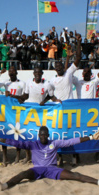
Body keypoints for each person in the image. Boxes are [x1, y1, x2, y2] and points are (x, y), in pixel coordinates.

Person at [0, 126, 99, 191]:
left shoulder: (54, 143)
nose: (43, 137)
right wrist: (0, 139)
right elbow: (16, 143)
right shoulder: (33, 144)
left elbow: (72, 141)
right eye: (41, 135)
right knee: (23, 174)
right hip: (37, 169)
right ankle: (4, 186)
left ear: (48, 135)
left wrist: (91, 137)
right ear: (38, 135)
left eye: (45, 135)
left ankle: (96, 181)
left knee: (75, 175)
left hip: (53, 170)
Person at [49, 33, 82, 166]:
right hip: (58, 111)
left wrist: (79, 43)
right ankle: (60, 158)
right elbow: (48, 94)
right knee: (59, 135)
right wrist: (55, 99)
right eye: (56, 66)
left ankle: (75, 157)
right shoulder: (52, 80)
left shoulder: (68, 73)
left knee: (73, 134)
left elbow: (78, 58)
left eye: (60, 65)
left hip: (70, 109)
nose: (58, 67)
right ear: (55, 69)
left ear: (63, 67)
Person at [0, 66, 26, 165]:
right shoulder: (6, 82)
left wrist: (14, 96)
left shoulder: (22, 83)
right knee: (4, 133)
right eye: (10, 71)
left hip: (17, 112)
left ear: (16, 72)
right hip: (7, 112)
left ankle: (18, 155)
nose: (11, 72)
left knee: (17, 134)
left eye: (13, 70)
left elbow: (24, 97)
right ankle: (5, 156)